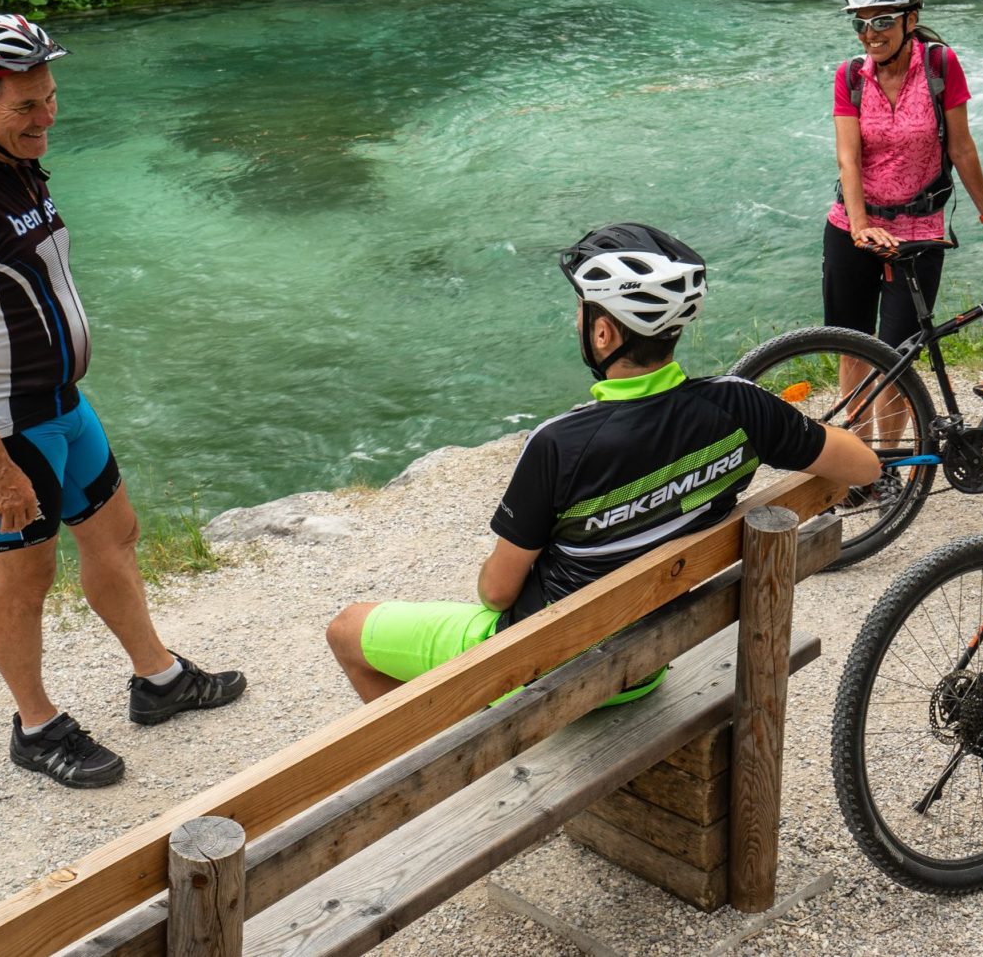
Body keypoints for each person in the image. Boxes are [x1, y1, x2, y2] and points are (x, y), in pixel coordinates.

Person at [0, 11, 245, 789]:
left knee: (114, 531)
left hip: (60, 402)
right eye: (25, 106)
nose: (45, 117)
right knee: (25, 577)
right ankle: (36, 727)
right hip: (1, 426)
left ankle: (157, 680)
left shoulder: (17, 165)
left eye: (49, 98)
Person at [325, 223, 880, 704]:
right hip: (648, 658)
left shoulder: (559, 443)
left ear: (604, 332)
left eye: (582, 314)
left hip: (546, 670)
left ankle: (442, 764)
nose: (577, 324)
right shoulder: (742, 406)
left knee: (347, 630)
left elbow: (495, 593)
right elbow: (865, 468)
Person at [826, 0, 983, 347]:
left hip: (919, 231)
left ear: (910, 19)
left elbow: (961, 147)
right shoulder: (850, 76)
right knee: (851, 345)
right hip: (853, 226)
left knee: (899, 356)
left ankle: (890, 412)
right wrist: (860, 226)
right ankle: (855, 412)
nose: (870, 34)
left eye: (882, 21)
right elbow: (847, 160)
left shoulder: (940, 65)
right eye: (860, 25)